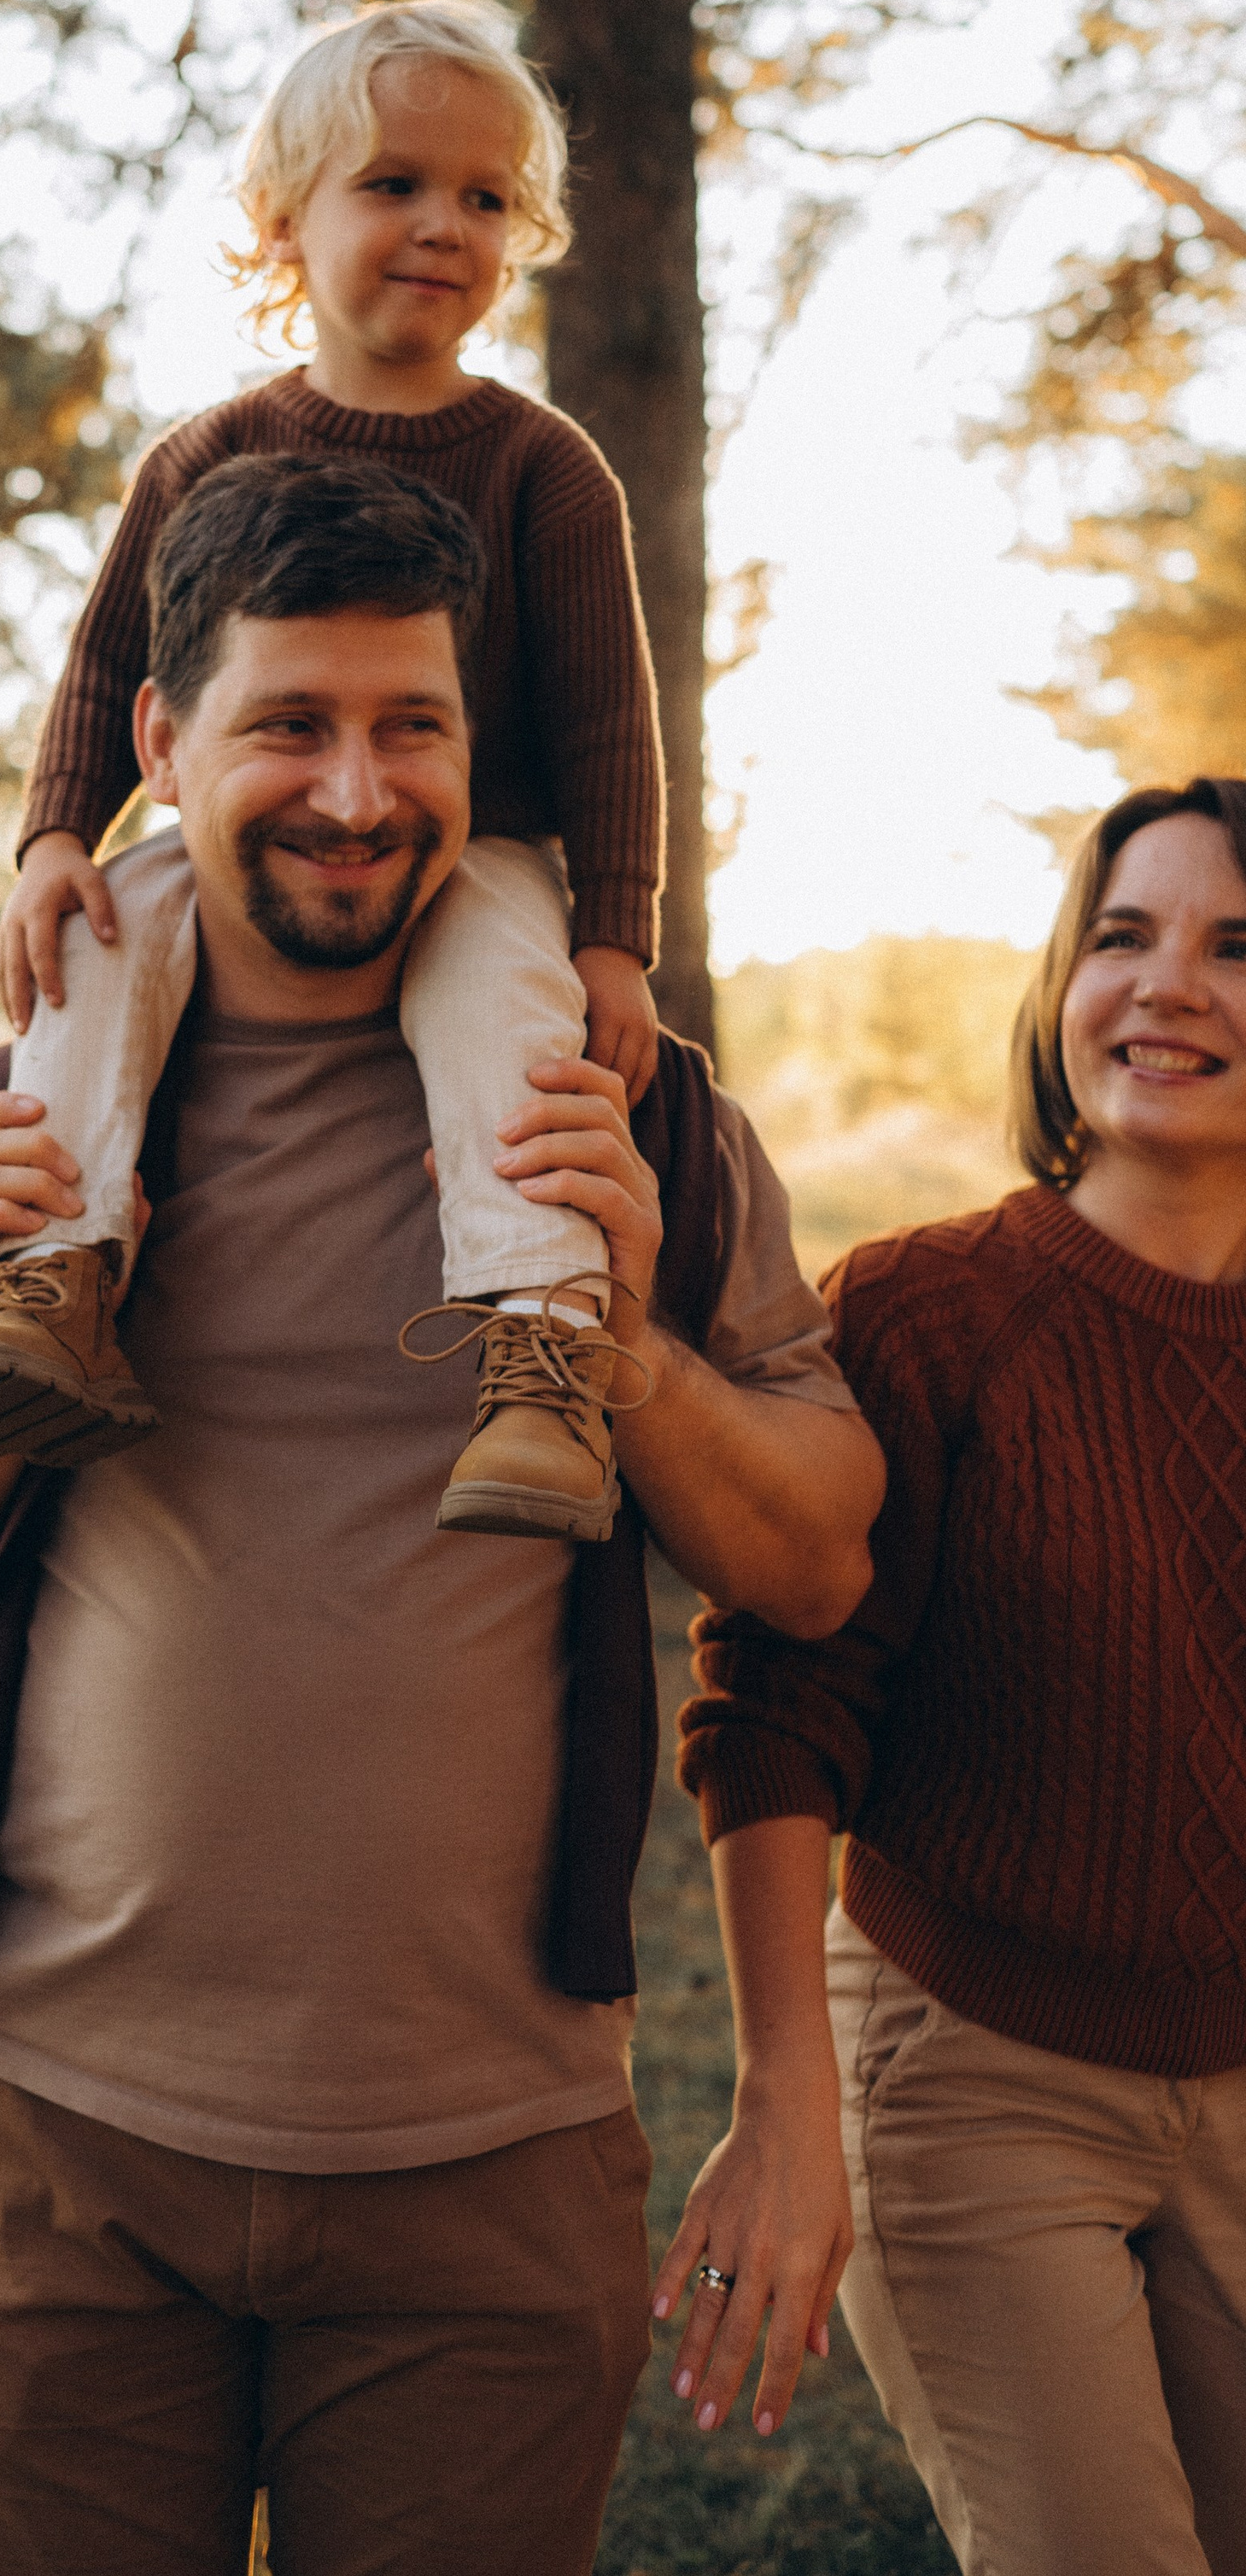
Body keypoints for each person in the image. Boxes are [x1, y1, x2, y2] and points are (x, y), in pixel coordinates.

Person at [0, 456, 881, 2576]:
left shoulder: (620, 1113)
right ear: (158, 738)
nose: (358, 794)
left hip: (488, 2166)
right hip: (55, 2151)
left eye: (412, 728)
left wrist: (631, 1343)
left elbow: (814, 1563)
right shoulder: (6, 1132)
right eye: (290, 723)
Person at [0, 0, 666, 1545]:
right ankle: (54, 1283)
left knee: (511, 1019)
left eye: (486, 199)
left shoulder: (547, 470)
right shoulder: (206, 458)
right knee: (99, 935)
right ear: (281, 223)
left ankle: (541, 1354)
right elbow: (108, 662)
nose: (444, 225)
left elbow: (608, 722)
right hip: (245, 852)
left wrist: (616, 937)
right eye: (394, 184)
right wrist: (54, 839)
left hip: (475, 848)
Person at [670, 776, 1246, 2576]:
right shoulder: (927, 1314)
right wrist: (783, 2096)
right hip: (974, 2069)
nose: (1167, 984)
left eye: (1238, 946)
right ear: (1062, 982)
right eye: (1122, 935)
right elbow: (774, 1707)